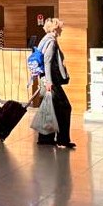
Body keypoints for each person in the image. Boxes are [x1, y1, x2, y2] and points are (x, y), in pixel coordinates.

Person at [37, 18, 75, 149]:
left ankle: (46, 138)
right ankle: (62, 139)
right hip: (51, 81)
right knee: (65, 108)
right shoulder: (51, 42)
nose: (62, 29)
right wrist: (49, 82)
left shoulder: (45, 39)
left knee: (49, 109)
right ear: (55, 28)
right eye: (60, 27)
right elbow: (47, 61)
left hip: (45, 80)